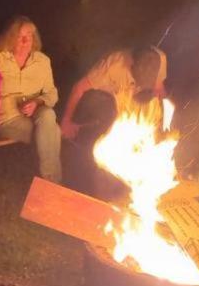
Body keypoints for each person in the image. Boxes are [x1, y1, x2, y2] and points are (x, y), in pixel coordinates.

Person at [59, 45, 167, 197]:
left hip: (131, 104)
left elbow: (159, 88)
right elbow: (79, 88)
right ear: (131, 66)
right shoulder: (112, 67)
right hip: (105, 100)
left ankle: (129, 188)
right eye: (140, 81)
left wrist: (159, 121)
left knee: (140, 138)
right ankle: (95, 185)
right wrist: (66, 121)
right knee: (106, 128)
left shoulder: (160, 59)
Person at [0, 16, 62, 183]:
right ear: (10, 38)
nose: (26, 41)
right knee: (52, 132)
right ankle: (53, 181)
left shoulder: (42, 61)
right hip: (7, 118)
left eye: (30, 36)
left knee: (47, 115)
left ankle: (50, 180)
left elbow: (51, 93)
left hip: (34, 113)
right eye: (20, 36)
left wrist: (37, 102)